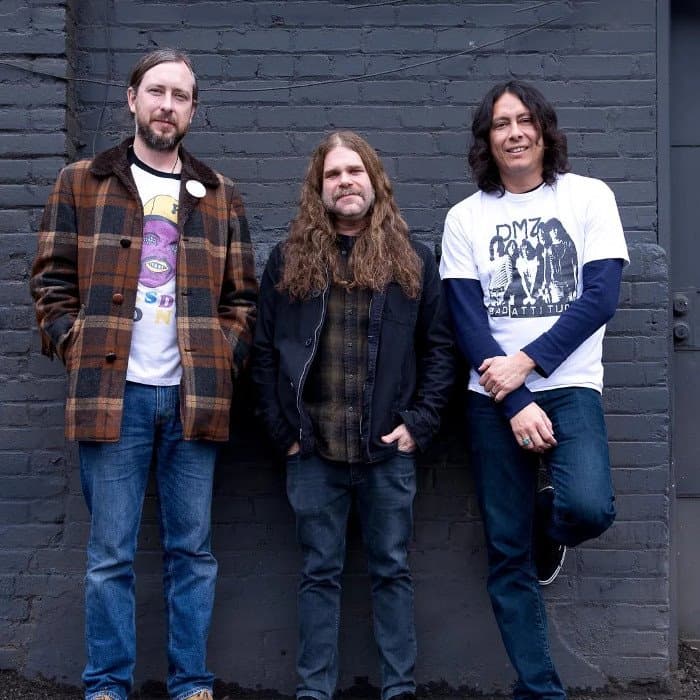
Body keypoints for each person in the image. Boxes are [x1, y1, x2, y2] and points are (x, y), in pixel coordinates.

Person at [30, 49, 258, 700]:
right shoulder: (83, 181)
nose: (167, 105)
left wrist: (222, 354)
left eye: (180, 96)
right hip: (112, 396)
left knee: (193, 553)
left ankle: (191, 684)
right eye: (156, 91)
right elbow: (49, 281)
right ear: (132, 99)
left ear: (193, 111)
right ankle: (107, 685)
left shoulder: (219, 195)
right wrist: (75, 343)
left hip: (192, 398)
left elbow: (243, 298)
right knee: (110, 556)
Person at [439, 80, 628, 699]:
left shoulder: (588, 197)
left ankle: (549, 525)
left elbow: (600, 297)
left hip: (570, 385)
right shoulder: (466, 217)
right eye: (501, 124)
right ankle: (540, 690)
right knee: (506, 552)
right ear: (486, 140)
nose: (515, 133)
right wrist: (514, 397)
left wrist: (527, 364)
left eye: (524, 120)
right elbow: (466, 318)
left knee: (589, 508)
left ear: (544, 130)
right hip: (491, 399)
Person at [252, 131, 454, 700]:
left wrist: (419, 424)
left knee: (391, 571)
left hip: (386, 452)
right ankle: (313, 691)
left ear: (374, 181)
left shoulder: (413, 259)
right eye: (334, 174)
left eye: (355, 171)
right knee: (319, 574)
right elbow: (262, 353)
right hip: (313, 452)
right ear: (318, 188)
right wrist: (284, 435)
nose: (345, 182)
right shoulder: (289, 260)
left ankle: (400, 688)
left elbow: (440, 349)